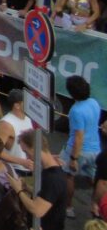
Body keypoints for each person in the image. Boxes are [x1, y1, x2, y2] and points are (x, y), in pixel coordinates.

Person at [7, 130, 68, 230]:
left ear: (35, 148)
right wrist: (28, 188)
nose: (27, 157)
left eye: (26, 152)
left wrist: (19, 190)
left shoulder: (52, 178)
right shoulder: (50, 169)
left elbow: (37, 209)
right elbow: (48, 195)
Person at [61, 75, 102, 218]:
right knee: (96, 179)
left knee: (68, 176)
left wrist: (73, 158)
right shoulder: (94, 103)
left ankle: (68, 207)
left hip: (79, 151)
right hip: (96, 150)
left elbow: (79, 136)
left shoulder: (75, 110)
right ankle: (97, 206)